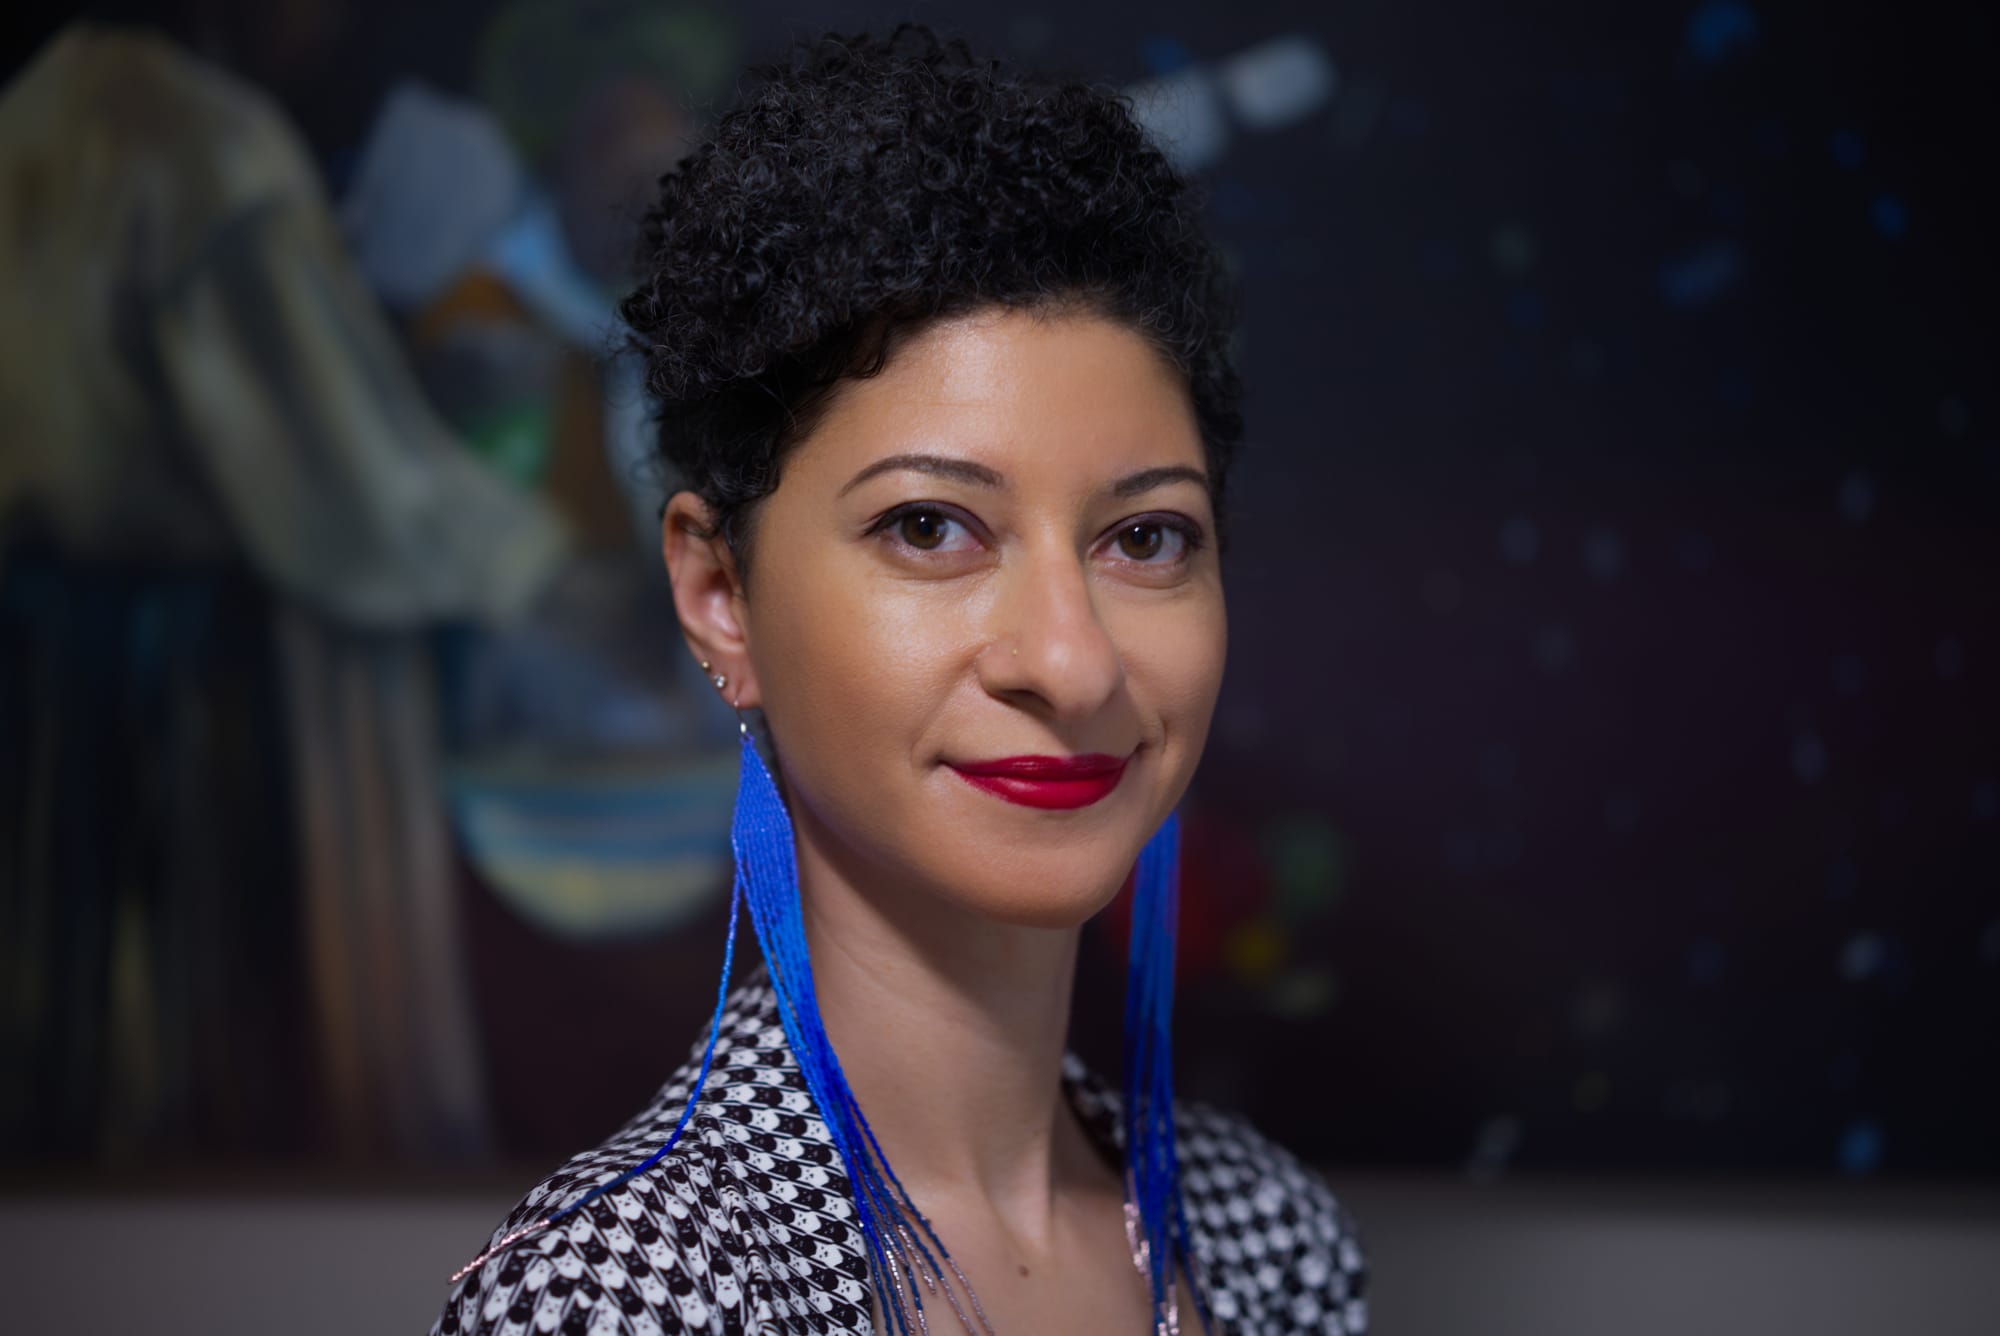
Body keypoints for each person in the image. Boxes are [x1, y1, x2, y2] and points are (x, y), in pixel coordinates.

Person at [432, 26, 1367, 1336]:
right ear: (720, 595)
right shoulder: (619, 1300)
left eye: (1145, 537)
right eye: (930, 527)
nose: (1069, 657)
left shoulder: (1275, 1246)